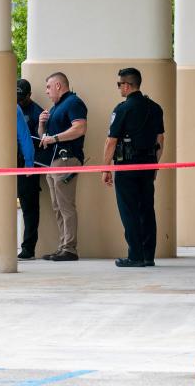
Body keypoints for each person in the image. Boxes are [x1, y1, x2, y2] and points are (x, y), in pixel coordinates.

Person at [102, 67, 165, 268]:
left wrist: (106, 168)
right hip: (148, 165)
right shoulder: (155, 107)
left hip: (126, 166)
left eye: (119, 84)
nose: (119, 88)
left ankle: (135, 256)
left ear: (127, 85)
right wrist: (154, 165)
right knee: (146, 209)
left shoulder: (122, 109)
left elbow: (111, 142)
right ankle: (148, 256)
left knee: (129, 210)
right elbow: (160, 139)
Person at [37, 72, 88, 262]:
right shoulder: (57, 107)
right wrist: (42, 124)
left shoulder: (74, 102)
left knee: (66, 206)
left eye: (49, 87)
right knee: (57, 207)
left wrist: (55, 138)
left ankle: (70, 249)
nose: (47, 91)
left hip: (66, 160)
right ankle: (62, 246)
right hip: (53, 161)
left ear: (58, 85)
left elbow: (80, 128)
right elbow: (45, 137)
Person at [16, 79, 43, 260]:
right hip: (10, 164)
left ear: (29, 95)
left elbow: (28, 140)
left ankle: (28, 248)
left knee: (29, 207)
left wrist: (29, 164)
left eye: (22, 97)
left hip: (27, 164)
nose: (18, 100)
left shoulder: (36, 112)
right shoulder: (12, 107)